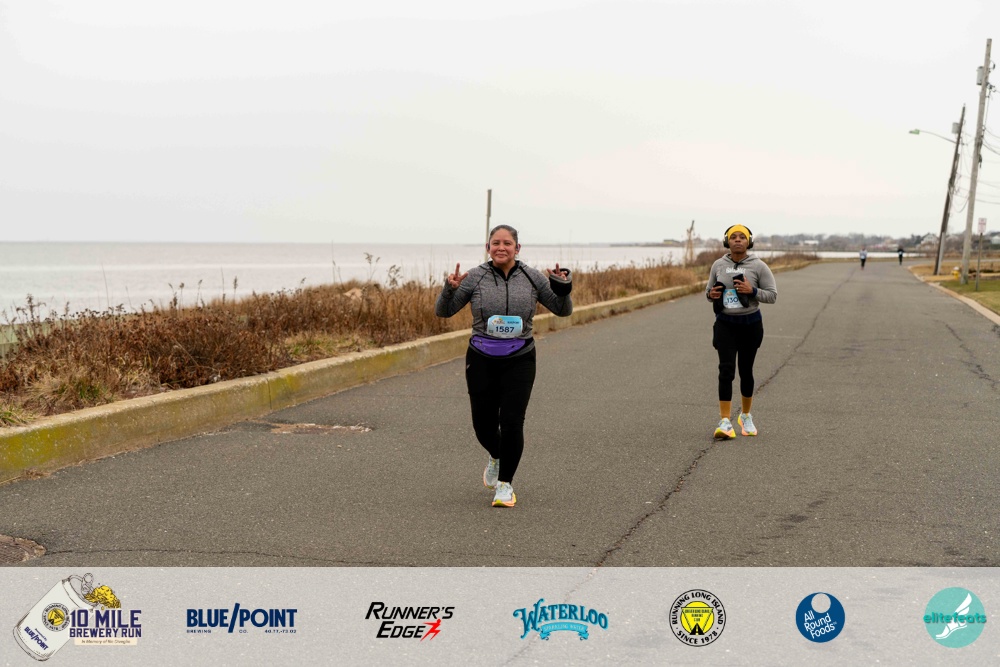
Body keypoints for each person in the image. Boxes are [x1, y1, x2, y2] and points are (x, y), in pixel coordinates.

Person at [435, 225, 572, 507]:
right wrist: (449, 289)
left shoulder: (533, 277)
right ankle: (497, 456)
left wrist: (563, 289)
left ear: (517, 248)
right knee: (483, 425)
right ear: (488, 248)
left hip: (520, 358)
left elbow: (562, 310)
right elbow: (443, 311)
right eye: (495, 243)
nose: (501, 247)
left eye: (507, 243)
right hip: (481, 358)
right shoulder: (474, 277)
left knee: (512, 422)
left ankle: (505, 485)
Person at [706, 225, 777, 440]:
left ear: (749, 242)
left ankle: (745, 416)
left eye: (742, 237)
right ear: (727, 241)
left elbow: (772, 295)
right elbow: (708, 292)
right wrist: (712, 294)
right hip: (725, 324)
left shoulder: (759, 266)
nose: (738, 240)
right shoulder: (718, 265)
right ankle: (725, 421)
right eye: (733, 237)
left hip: (750, 325)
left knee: (746, 371)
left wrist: (752, 291)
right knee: (726, 370)